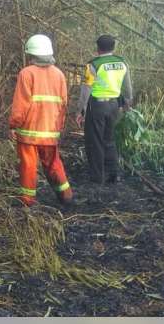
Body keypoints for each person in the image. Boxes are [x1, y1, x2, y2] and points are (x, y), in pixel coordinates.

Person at [8, 34, 72, 207]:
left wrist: (13, 125)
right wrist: (59, 126)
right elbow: (63, 104)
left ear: (31, 54)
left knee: (29, 165)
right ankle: (66, 195)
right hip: (50, 130)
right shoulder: (59, 74)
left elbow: (20, 103)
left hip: (28, 131)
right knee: (53, 163)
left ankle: (27, 201)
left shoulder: (26, 73)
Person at [74, 34, 133, 184]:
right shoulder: (122, 63)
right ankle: (114, 174)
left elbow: (86, 90)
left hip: (97, 106)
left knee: (95, 141)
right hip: (114, 106)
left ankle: (97, 177)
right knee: (110, 140)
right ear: (113, 47)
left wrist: (80, 111)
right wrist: (127, 105)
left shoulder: (93, 65)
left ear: (98, 48)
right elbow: (127, 87)